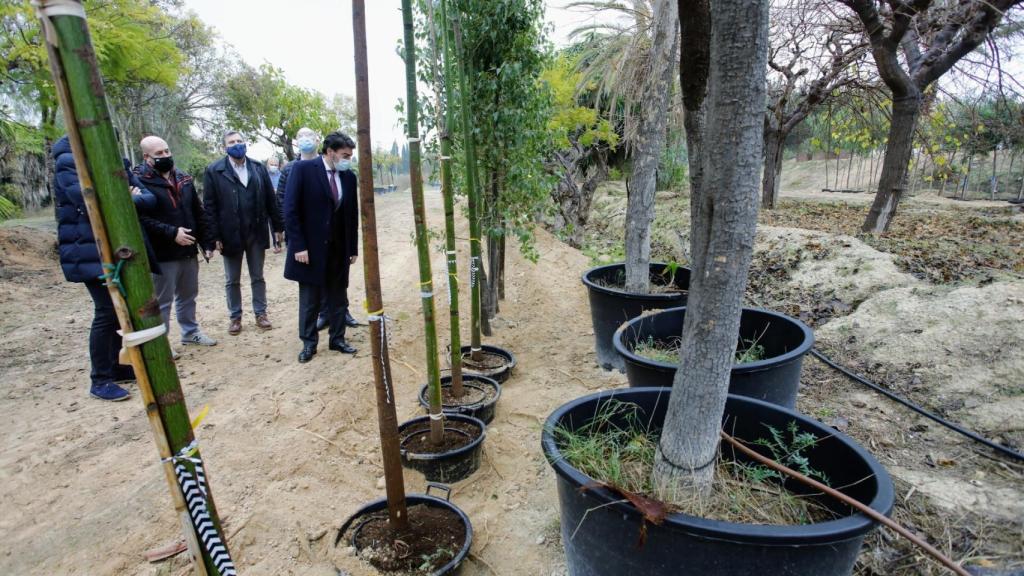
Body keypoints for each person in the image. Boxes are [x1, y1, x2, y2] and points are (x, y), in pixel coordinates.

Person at [54, 134, 157, 401]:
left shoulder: (116, 160)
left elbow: (148, 199)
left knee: (119, 310)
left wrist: (120, 196)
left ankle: (119, 367)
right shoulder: (68, 161)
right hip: (89, 250)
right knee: (105, 312)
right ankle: (100, 379)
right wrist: (125, 195)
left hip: (119, 249)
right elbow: (86, 200)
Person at [135, 135, 218, 348]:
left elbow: (199, 212)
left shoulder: (184, 178)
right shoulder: (139, 181)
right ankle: (161, 344)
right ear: (147, 157)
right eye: (159, 154)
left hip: (188, 249)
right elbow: (141, 218)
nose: (165, 156)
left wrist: (207, 243)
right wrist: (172, 233)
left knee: (188, 295)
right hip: (162, 253)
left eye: (167, 151)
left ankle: (190, 332)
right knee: (162, 301)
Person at [283, 131, 359, 363]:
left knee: (337, 297)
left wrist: (352, 248)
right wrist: (298, 246)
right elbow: (291, 210)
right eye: (345, 155)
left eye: (350, 156)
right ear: (330, 152)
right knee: (310, 300)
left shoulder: (348, 177)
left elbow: (351, 215)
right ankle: (309, 343)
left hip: (338, 249)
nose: (348, 159)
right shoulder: (303, 170)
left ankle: (337, 339)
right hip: (311, 249)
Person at [202, 131, 284, 335]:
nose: (237, 144)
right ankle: (235, 317)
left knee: (258, 276)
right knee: (232, 279)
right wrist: (214, 237)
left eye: (240, 141)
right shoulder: (214, 170)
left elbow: (270, 201)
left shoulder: (257, 168)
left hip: (256, 232)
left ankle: (261, 314)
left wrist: (277, 228)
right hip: (230, 234)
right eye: (232, 142)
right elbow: (209, 207)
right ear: (225, 147)